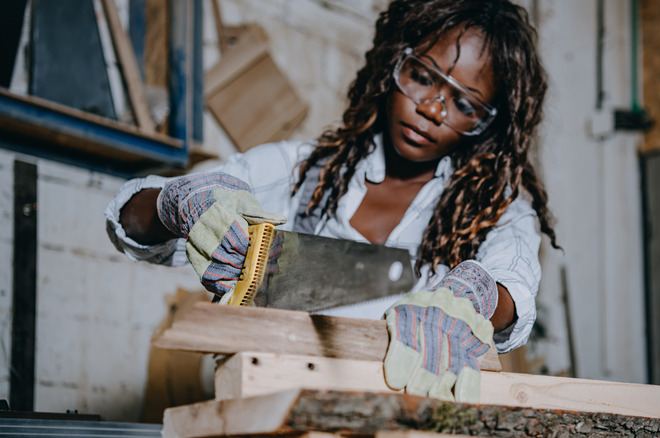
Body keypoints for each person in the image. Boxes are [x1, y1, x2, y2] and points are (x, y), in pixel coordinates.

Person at [105, 0, 558, 403]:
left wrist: (474, 296)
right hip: (270, 410)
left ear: (489, 124)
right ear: (392, 64)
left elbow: (510, 293)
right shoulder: (304, 171)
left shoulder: (495, 212)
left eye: (465, 104)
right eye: (422, 77)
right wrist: (176, 202)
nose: (433, 109)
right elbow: (129, 218)